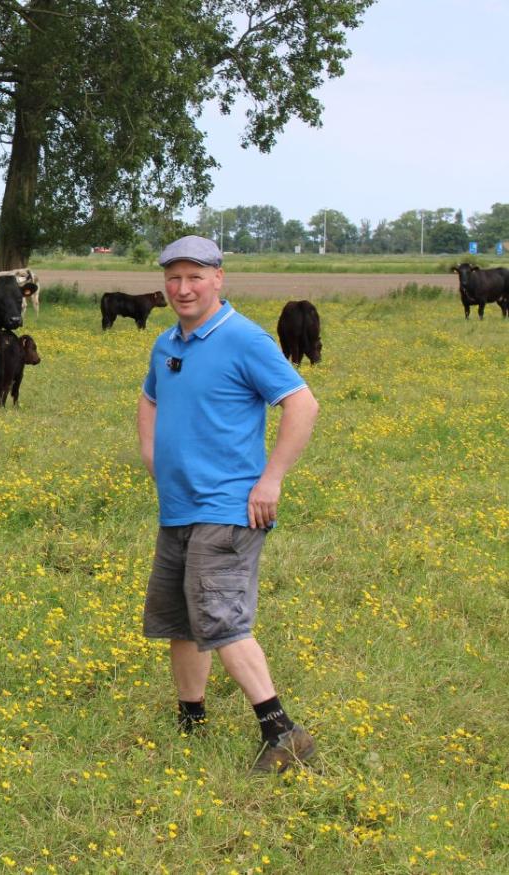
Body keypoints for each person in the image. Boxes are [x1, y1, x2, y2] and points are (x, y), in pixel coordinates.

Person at [136, 235, 320, 773]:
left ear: (219, 278)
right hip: (178, 506)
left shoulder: (245, 339)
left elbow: (302, 404)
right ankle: (190, 720)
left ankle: (283, 732)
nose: (183, 288)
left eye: (195, 277)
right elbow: (149, 398)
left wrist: (271, 480)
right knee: (180, 620)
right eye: (174, 277)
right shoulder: (167, 343)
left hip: (229, 506)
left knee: (219, 617)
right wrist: (152, 456)